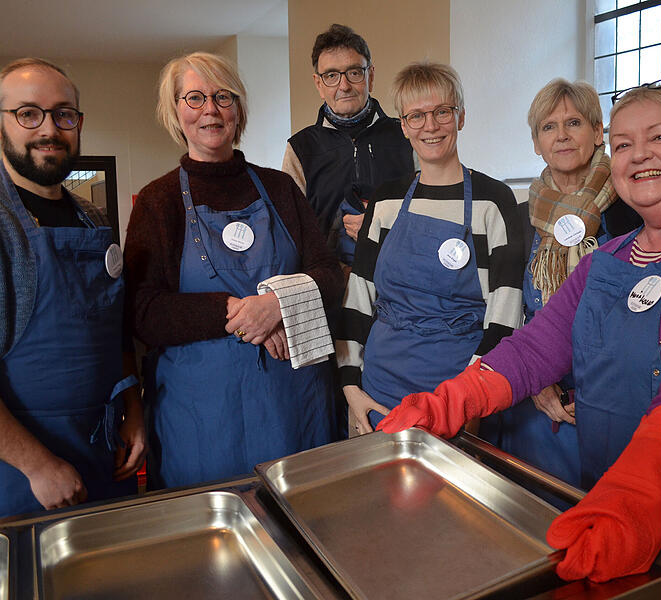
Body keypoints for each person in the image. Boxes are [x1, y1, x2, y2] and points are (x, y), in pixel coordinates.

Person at [378, 78, 661, 599]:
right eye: (624, 144)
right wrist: (453, 399)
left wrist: (636, 497)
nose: (639, 154)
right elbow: (536, 348)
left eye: (660, 137)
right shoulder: (612, 256)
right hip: (613, 499)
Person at [124, 52, 343, 489]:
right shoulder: (158, 201)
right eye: (195, 98)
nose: (210, 109)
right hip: (203, 420)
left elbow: (329, 274)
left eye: (223, 97)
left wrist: (278, 303)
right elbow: (142, 310)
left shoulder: (280, 188)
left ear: (238, 109)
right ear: (176, 111)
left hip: (294, 410)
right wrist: (242, 313)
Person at [338, 62, 524, 434]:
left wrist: (470, 398)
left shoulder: (494, 201)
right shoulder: (386, 201)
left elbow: (506, 312)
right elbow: (359, 298)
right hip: (377, 392)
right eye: (417, 116)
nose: (431, 125)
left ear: (461, 117)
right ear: (404, 126)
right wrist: (350, 387)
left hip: (457, 394)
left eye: (442, 112)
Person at [0, 58, 145, 518]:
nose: (49, 129)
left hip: (105, 453)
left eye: (63, 114)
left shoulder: (93, 218)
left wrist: (133, 407)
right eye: (28, 113)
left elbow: (113, 327)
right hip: (23, 476)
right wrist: (38, 465)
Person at [480, 79, 641, 490]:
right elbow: (506, 307)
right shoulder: (517, 219)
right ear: (536, 143)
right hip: (536, 404)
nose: (562, 135)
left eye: (574, 122)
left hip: (614, 398)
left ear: (597, 132)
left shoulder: (633, 214)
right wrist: (534, 377)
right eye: (548, 127)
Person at [282, 23, 414, 266]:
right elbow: (290, 231)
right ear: (318, 84)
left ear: (370, 76)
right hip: (331, 287)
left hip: (399, 279)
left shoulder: (406, 135)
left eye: (354, 72)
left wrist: (382, 225)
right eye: (331, 75)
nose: (343, 86)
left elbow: (430, 210)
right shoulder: (300, 148)